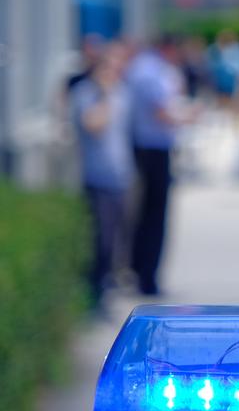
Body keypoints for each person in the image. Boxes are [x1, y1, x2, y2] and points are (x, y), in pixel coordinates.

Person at [69, 43, 132, 311]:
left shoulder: (122, 93)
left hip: (121, 175)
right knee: (101, 241)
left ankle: (107, 286)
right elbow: (93, 125)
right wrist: (104, 96)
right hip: (97, 177)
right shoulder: (87, 94)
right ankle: (95, 294)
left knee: (117, 240)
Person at [126, 35, 187, 295]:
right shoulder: (151, 72)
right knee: (155, 215)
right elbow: (161, 111)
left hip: (146, 146)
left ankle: (141, 270)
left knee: (145, 213)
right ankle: (147, 276)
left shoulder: (144, 68)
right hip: (154, 147)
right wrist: (187, 117)